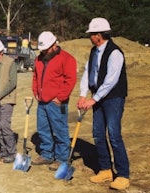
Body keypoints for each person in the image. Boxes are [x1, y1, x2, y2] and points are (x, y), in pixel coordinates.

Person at [77, 17, 129, 190]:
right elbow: (87, 73)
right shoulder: (94, 51)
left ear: (98, 35)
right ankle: (105, 169)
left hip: (113, 98)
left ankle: (123, 174)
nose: (90, 37)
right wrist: (83, 95)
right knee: (98, 134)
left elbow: (111, 81)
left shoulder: (115, 53)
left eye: (91, 34)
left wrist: (94, 99)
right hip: (97, 98)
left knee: (114, 135)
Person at [31, 31, 77, 171]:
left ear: (54, 44)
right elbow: (35, 76)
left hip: (56, 103)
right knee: (43, 129)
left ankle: (62, 158)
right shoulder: (39, 59)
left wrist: (61, 97)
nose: (44, 51)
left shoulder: (66, 59)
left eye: (46, 49)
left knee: (60, 130)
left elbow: (70, 80)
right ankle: (47, 154)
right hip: (42, 101)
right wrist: (36, 91)